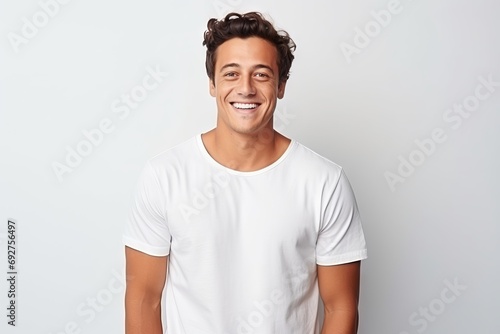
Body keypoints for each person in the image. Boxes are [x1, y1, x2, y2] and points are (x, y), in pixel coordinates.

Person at [123, 12, 367, 334]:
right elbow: (143, 299)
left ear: (281, 85)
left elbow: (341, 307)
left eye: (262, 75)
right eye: (231, 73)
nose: (246, 88)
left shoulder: (325, 183)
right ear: (212, 84)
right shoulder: (164, 176)